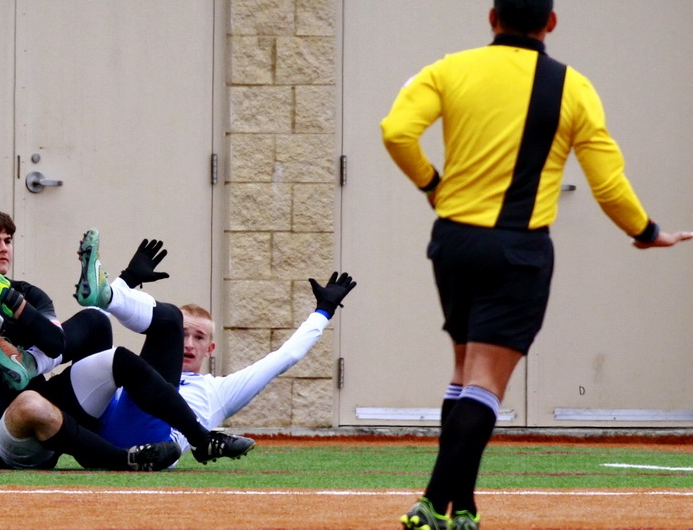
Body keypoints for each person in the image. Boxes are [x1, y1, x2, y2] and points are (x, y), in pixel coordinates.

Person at [380, 1, 693, 529]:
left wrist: (433, 185)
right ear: (550, 22)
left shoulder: (449, 68)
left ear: (491, 16)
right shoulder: (572, 87)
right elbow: (607, 182)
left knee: (463, 373)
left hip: (453, 241)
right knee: (485, 382)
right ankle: (432, 502)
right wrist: (645, 231)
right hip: (518, 249)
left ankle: (464, 507)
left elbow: (396, 132)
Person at [0, 208, 254, 472]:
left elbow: (55, 343)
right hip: (4, 434)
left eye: (8, 240)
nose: (4, 248)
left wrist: (9, 297)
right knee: (29, 403)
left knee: (101, 330)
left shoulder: (25, 293)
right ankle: (124, 460)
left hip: (50, 402)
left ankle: (203, 440)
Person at [80, 225, 355, 456]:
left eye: (198, 337)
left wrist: (324, 311)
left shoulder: (218, 391)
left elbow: (285, 357)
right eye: (183, 334)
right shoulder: (137, 371)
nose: (187, 344)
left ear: (210, 349)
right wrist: (127, 279)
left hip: (150, 439)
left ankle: (112, 295)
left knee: (162, 329)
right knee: (98, 332)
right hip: (99, 429)